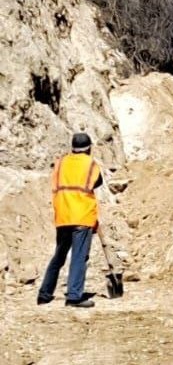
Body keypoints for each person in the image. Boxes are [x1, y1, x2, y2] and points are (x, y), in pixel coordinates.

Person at [37, 132, 103, 308]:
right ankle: (74, 296)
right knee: (79, 256)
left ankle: (44, 294)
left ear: (72, 147)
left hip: (63, 215)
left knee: (59, 255)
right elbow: (97, 183)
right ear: (89, 148)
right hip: (82, 215)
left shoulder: (60, 163)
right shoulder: (90, 164)